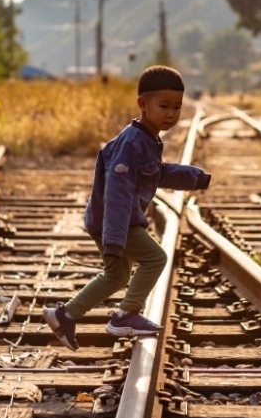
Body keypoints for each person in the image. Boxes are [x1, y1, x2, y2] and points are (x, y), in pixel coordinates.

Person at [43, 65, 211, 350]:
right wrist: (115, 239)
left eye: (177, 107)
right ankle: (126, 315)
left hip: (109, 220)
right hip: (116, 220)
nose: (171, 113)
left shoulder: (148, 139)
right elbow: (117, 193)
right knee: (156, 258)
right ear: (143, 104)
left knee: (117, 276)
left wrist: (194, 178)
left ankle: (64, 315)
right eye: (164, 106)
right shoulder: (132, 144)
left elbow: (157, 173)